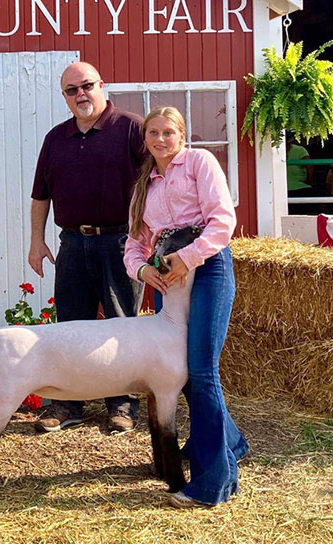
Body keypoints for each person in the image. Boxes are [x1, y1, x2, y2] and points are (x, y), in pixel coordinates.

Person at [124, 106, 248, 508]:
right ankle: (231, 442)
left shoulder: (199, 162)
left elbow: (222, 221)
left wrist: (188, 257)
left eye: (168, 132)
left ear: (182, 135)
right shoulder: (145, 183)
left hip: (207, 268)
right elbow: (135, 244)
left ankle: (213, 483)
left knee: (202, 371)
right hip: (169, 278)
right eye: (153, 133)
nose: (160, 140)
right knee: (188, 374)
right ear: (145, 139)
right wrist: (142, 270)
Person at [28, 61, 146, 433]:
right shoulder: (55, 138)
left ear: (102, 85)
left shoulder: (131, 128)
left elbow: (158, 184)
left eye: (87, 85)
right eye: (71, 90)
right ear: (64, 97)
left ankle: (123, 405)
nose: (81, 94)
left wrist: (148, 238)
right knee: (70, 327)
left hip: (121, 242)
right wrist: (36, 241)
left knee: (122, 325)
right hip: (73, 243)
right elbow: (40, 196)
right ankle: (66, 404)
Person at [286, 137, 315, 215]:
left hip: (284, 190)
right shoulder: (300, 150)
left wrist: (308, 181)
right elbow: (309, 166)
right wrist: (309, 181)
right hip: (300, 188)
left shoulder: (272, 151)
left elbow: (309, 166)